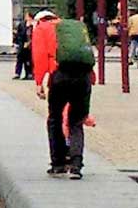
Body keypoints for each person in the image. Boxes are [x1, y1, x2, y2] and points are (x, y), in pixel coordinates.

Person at [32, 9, 94, 180]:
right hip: (83, 77)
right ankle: (76, 165)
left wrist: (39, 82)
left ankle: (58, 163)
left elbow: (39, 56)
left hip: (59, 75)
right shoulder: (71, 28)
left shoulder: (41, 29)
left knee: (55, 118)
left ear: (39, 20)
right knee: (76, 120)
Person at [14, 12, 34, 79]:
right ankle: (17, 73)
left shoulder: (33, 25)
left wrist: (29, 42)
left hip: (30, 46)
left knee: (28, 61)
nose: (26, 17)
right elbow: (19, 34)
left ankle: (29, 74)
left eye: (27, 16)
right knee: (19, 59)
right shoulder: (22, 24)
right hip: (22, 45)